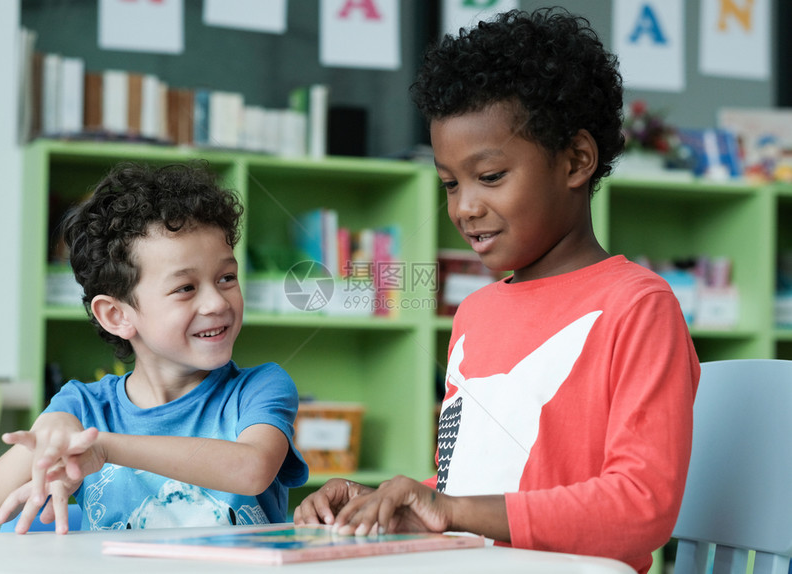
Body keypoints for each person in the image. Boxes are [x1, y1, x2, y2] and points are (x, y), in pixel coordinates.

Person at [293, 8, 699, 574]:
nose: (464, 208)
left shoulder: (637, 305)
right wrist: (386, 501)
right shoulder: (476, 312)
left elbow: (642, 506)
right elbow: (477, 484)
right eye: (450, 184)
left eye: (490, 177)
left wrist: (449, 507)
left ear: (576, 160)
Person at [0, 161, 308, 533]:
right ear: (117, 316)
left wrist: (105, 448)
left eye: (226, 278)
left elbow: (253, 470)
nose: (217, 303)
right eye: (186, 288)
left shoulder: (260, 389)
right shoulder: (83, 407)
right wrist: (52, 432)